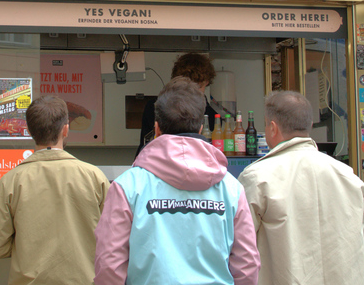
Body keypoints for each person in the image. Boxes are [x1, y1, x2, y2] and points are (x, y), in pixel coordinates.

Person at [94, 77, 260, 285]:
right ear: (200, 128)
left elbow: (109, 265)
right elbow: (247, 266)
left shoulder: (127, 187)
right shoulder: (231, 189)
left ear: (156, 129)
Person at [238, 90, 364, 285]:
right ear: (310, 126)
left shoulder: (257, 178)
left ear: (272, 128)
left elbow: (241, 252)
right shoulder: (351, 180)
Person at [0, 96, 110, 285]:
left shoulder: (11, 181)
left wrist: (23, 246)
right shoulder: (94, 177)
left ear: (29, 131)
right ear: (66, 129)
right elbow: (113, 241)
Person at [137, 52, 219, 154]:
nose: (192, 93)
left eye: (197, 87)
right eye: (187, 86)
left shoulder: (213, 118)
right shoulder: (154, 108)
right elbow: (144, 147)